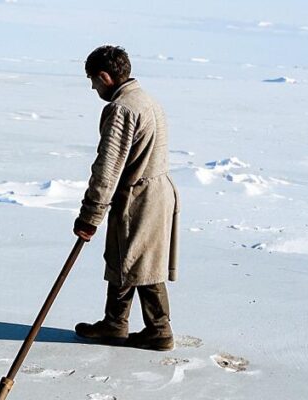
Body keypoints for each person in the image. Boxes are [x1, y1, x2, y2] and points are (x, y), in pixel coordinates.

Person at [73, 45, 180, 351]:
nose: (93, 88)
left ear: (105, 77)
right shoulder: (146, 99)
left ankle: (158, 330)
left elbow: (107, 169)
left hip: (140, 196)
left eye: (93, 81)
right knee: (129, 258)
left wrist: (90, 216)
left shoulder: (122, 108)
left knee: (137, 261)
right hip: (159, 191)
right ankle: (115, 323)